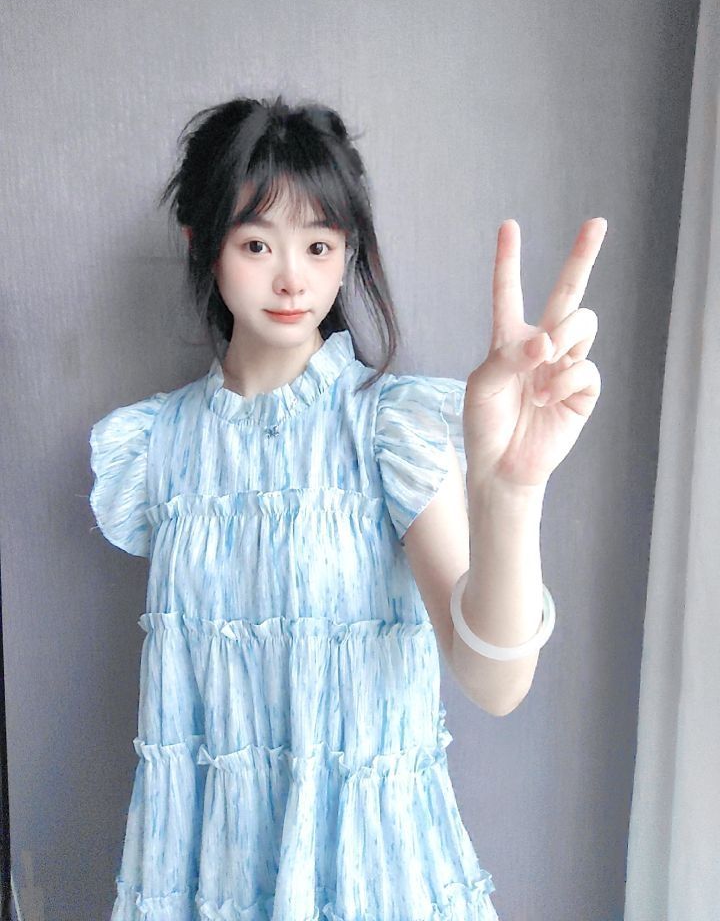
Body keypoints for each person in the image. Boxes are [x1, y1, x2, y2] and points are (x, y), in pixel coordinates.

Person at [88, 94, 606, 920]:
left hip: (374, 881)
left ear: (347, 253)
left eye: (319, 245)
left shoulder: (386, 427)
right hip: (207, 880)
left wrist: (512, 492)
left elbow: (494, 681)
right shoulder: (156, 447)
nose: (292, 277)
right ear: (202, 244)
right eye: (257, 244)